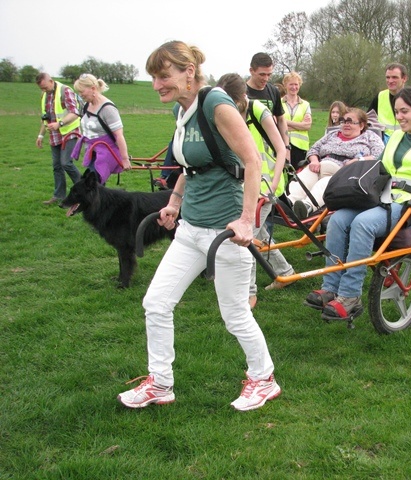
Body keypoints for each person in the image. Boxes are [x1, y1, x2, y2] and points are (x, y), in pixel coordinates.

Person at [117, 41, 280, 411]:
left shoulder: (215, 103)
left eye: (164, 76)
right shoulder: (183, 109)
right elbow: (193, 168)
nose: (157, 85)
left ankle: (264, 378)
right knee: (156, 303)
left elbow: (252, 161)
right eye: (154, 78)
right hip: (190, 230)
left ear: (188, 72)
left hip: (224, 234)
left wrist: (245, 220)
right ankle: (160, 383)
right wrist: (174, 202)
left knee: (235, 314)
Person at [305, 86, 411, 319]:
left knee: (363, 223)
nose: (399, 117)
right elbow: (378, 168)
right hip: (383, 200)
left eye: (405, 111)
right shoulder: (396, 137)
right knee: (336, 220)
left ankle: (350, 296)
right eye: (397, 112)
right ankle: (331, 287)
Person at [215, 73, 295, 307]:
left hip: (266, 184)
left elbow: (281, 149)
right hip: (244, 182)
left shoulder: (258, 109)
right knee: (258, 234)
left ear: (242, 97)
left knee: (246, 237)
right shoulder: (223, 111)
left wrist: (272, 185)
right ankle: (285, 272)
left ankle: (249, 293)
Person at [288, 108, 385, 219]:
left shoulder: (370, 136)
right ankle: (289, 201)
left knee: (325, 183)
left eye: (350, 122)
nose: (346, 124)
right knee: (305, 176)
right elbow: (314, 148)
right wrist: (314, 160)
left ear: (361, 125)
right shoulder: (332, 134)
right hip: (321, 165)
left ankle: (307, 206)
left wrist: (359, 160)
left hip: (344, 171)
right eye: (343, 121)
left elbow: (379, 155)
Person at [71, 73, 131, 184]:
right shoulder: (87, 105)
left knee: (92, 186)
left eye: (82, 91)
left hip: (107, 153)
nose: (80, 95)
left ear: (93, 89)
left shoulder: (107, 109)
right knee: (91, 185)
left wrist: (125, 159)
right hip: (92, 151)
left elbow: (119, 135)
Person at [35, 72, 82, 205]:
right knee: (57, 166)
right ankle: (59, 196)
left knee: (66, 163)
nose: (44, 90)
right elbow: (45, 117)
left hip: (69, 132)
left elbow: (74, 112)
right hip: (54, 135)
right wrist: (40, 135)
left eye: (45, 87)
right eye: (41, 89)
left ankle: (86, 191)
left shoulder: (65, 91)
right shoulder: (44, 95)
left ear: (51, 81)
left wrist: (59, 124)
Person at [246, 52, 289, 150]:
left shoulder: (273, 91)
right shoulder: (241, 92)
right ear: (251, 71)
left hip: (271, 147)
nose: (266, 79)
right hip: (248, 146)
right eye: (262, 74)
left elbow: (281, 119)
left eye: (269, 74)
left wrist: (287, 147)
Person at [368, 63, 408, 140]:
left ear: (404, 78)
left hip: (406, 141)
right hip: (383, 142)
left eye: (394, 77)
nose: (390, 81)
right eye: (387, 77)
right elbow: (368, 120)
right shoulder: (380, 96)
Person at [281, 72, 312, 170]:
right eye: (291, 84)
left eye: (296, 84)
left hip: (300, 147)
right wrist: (299, 125)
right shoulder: (278, 102)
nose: (294, 87)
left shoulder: (305, 104)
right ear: (285, 85)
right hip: (282, 144)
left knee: (297, 175)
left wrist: (285, 122)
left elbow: (307, 126)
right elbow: (276, 124)